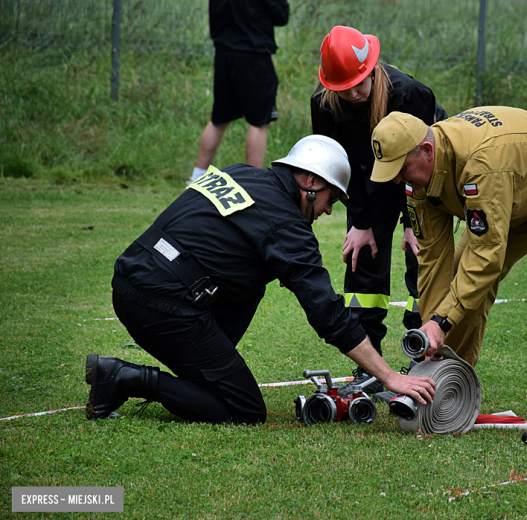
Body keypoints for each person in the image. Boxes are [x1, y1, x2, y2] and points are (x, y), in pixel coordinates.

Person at [86, 135, 436, 424]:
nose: (329, 210)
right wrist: (389, 376)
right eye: (332, 198)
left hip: (131, 279)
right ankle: (123, 377)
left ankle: (206, 375)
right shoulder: (286, 225)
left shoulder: (244, 173)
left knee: (252, 286)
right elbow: (327, 312)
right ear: (311, 182)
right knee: (245, 409)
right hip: (163, 304)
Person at [369, 108, 527, 443]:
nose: (397, 179)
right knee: (460, 275)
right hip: (519, 192)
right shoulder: (420, 178)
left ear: (426, 151)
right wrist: (432, 344)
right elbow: (432, 260)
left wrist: (442, 322)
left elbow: (486, 257)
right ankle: (445, 384)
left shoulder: (481, 162)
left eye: (400, 169)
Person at [310, 26, 447, 396]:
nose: (353, 94)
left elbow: (422, 163)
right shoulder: (323, 104)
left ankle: (424, 357)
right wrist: (361, 222)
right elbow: (338, 165)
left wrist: (410, 221)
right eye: (343, 88)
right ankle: (367, 367)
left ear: (372, 69)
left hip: (417, 180)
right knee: (363, 259)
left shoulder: (411, 95)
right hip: (367, 181)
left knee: (423, 258)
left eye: (359, 84)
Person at [189, 0, 290, 184]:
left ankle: (196, 177)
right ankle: (253, 184)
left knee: (219, 119)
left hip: (224, 54)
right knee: (259, 122)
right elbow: (281, 16)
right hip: (254, 54)